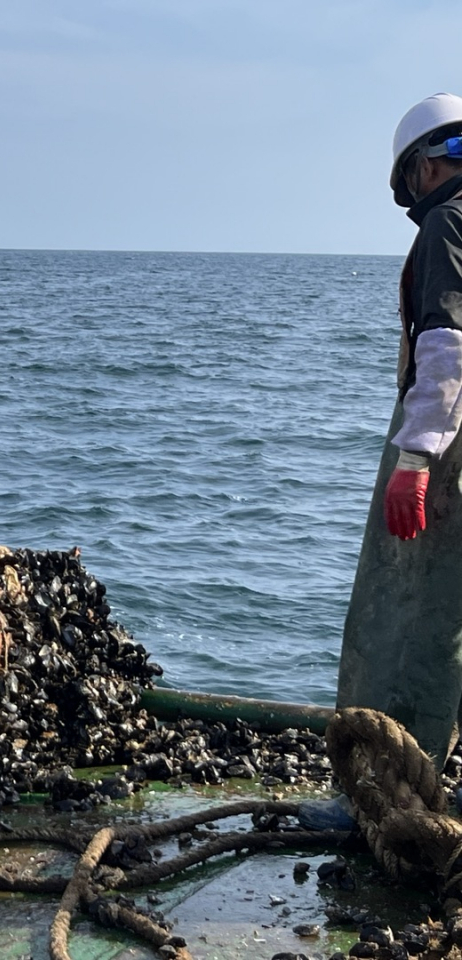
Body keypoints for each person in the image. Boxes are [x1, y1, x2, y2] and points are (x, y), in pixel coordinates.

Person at [313, 93, 462, 829]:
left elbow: (448, 343)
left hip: (449, 445)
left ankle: (385, 795)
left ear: (422, 167)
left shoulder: (448, 221)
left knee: (405, 617)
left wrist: (417, 456)